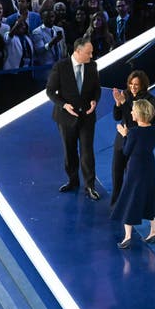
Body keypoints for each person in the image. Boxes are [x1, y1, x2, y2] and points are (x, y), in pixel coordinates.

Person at [45, 36, 102, 200]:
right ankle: (73, 181)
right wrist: (64, 105)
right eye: (88, 53)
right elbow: (50, 91)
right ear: (78, 51)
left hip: (87, 116)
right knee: (69, 151)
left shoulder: (92, 66)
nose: (91, 56)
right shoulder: (61, 66)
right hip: (66, 117)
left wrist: (94, 101)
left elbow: (96, 89)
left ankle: (90, 186)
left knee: (87, 151)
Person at [111, 99, 155, 248]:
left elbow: (126, 151)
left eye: (133, 110)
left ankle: (127, 237)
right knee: (150, 196)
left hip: (135, 168)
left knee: (130, 197)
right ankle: (154, 231)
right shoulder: (154, 129)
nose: (131, 112)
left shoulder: (134, 132)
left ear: (139, 113)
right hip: (150, 166)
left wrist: (124, 134)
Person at [109, 70, 153, 205]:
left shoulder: (148, 99)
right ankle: (115, 201)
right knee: (117, 171)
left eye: (136, 85)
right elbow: (117, 117)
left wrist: (124, 103)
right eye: (131, 84)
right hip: (121, 139)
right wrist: (118, 103)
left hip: (136, 141)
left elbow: (136, 119)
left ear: (142, 85)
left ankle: (132, 202)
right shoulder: (125, 94)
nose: (133, 87)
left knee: (132, 174)